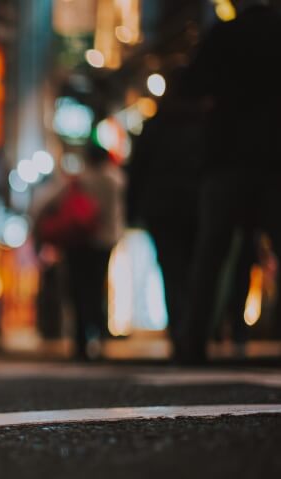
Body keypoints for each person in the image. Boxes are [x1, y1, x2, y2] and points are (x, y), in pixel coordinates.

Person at [180, 0, 281, 363]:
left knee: (211, 253)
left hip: (227, 156)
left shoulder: (225, 33)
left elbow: (189, 85)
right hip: (274, 157)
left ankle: (193, 343)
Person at [125, 67, 205, 353]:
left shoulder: (155, 126)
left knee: (171, 270)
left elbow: (137, 171)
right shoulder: (203, 125)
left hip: (161, 207)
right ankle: (197, 331)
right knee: (196, 267)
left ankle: (181, 332)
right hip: (196, 204)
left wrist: (132, 209)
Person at [64, 145, 125, 360]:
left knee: (79, 291)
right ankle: (100, 336)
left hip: (80, 238)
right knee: (98, 288)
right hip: (105, 240)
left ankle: (81, 341)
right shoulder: (116, 179)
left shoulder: (83, 179)